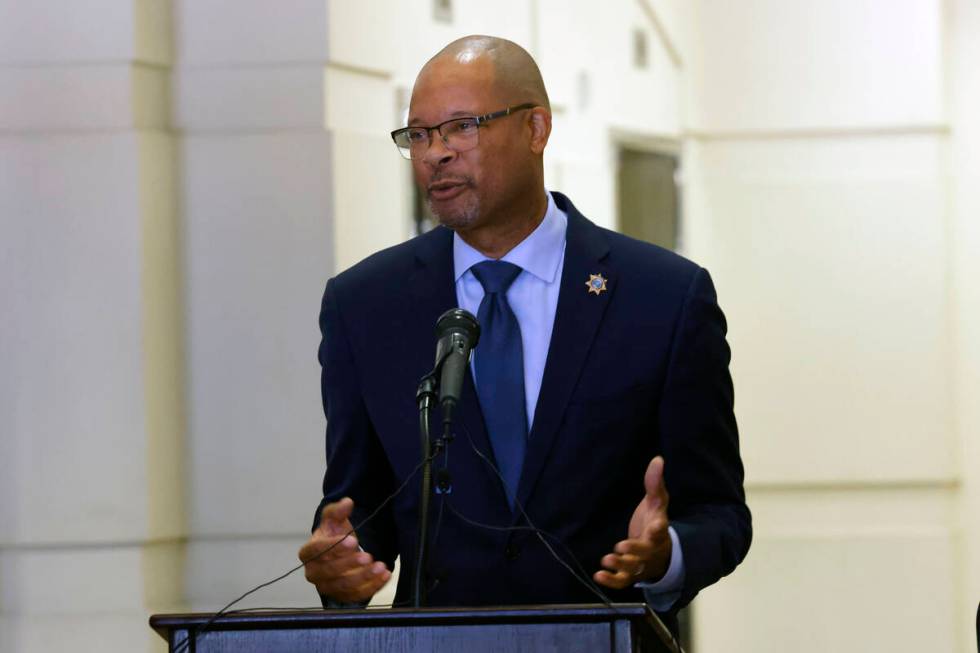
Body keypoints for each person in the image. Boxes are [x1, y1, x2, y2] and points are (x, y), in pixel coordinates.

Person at [299, 34, 750, 634]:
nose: (435, 154)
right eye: (418, 135)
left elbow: (720, 514)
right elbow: (361, 508)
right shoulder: (365, 304)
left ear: (536, 129)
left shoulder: (663, 297)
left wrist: (667, 557)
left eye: (460, 127)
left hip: (600, 640)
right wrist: (342, 566)